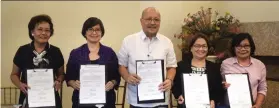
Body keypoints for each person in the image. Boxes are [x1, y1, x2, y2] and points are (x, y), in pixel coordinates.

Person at [118, 7, 177, 108]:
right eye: (149, 19)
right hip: (136, 101)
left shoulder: (167, 42)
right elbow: (121, 65)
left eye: (156, 19)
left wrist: (169, 80)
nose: (152, 22)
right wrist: (127, 77)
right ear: (141, 21)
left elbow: (171, 66)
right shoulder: (128, 41)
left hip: (161, 101)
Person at [10, 14, 64, 108]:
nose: (43, 33)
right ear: (32, 32)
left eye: (47, 30)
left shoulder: (56, 51)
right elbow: (14, 74)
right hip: (28, 99)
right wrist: (20, 84)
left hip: (51, 100)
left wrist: (59, 81)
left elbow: (62, 74)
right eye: (40, 29)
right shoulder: (22, 51)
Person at [65, 17, 121, 108]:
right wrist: (74, 84)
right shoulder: (75, 53)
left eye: (97, 30)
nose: (94, 33)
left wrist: (112, 83)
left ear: (102, 32)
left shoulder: (109, 52)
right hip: (81, 102)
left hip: (106, 101)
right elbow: (69, 77)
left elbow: (117, 76)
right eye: (90, 29)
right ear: (85, 32)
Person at [172, 34, 224, 108]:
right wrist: (179, 95)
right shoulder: (181, 66)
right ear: (191, 48)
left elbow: (218, 89)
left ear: (208, 48)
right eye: (197, 46)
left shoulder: (215, 67)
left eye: (204, 46)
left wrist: (213, 100)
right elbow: (175, 85)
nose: (201, 49)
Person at [221, 33, 267, 108]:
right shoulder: (225, 64)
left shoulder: (259, 65)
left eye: (246, 46)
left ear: (251, 47)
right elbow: (220, 82)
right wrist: (223, 84)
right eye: (239, 46)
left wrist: (258, 105)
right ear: (234, 48)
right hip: (229, 106)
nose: (242, 49)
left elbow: (262, 88)